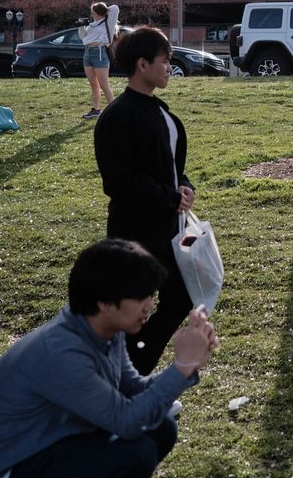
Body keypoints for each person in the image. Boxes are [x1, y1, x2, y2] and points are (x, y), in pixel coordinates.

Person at [0, 238, 218, 478]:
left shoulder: (105, 330)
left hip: (51, 444)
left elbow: (131, 390)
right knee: (134, 454)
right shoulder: (61, 354)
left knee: (161, 427)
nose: (149, 305)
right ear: (104, 302)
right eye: (140, 296)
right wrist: (180, 367)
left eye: (150, 294)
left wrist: (188, 364)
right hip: (2, 468)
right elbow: (126, 421)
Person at [94, 27, 196, 374]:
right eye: (165, 61)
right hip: (135, 234)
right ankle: (127, 380)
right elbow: (118, 181)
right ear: (142, 64)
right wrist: (169, 196)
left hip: (167, 229)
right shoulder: (118, 115)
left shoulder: (161, 112)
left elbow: (169, 165)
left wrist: (183, 185)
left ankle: (134, 373)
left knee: (180, 299)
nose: (170, 67)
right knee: (131, 314)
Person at [80, 2, 121, 119]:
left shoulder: (108, 22)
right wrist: (81, 26)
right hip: (87, 52)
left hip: (99, 52)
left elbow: (115, 8)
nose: (92, 14)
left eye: (93, 12)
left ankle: (114, 111)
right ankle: (96, 110)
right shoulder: (91, 24)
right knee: (93, 84)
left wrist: (103, 9)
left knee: (104, 84)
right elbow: (83, 37)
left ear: (99, 13)